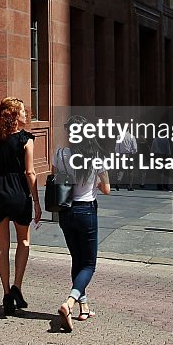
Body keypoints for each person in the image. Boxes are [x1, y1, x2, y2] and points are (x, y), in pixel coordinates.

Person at [0, 97, 42, 316]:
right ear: (15, 115)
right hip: (18, 192)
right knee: (24, 241)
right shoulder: (26, 139)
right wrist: (37, 202)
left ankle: (5, 294)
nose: (26, 115)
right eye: (23, 112)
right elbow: (29, 172)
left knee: (2, 246)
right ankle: (17, 288)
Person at [51, 117, 111, 331]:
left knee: (77, 259)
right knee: (88, 264)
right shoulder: (96, 156)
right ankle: (69, 302)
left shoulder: (60, 154)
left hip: (66, 212)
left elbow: (56, 178)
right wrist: (93, 181)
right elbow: (106, 189)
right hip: (86, 210)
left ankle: (83, 307)